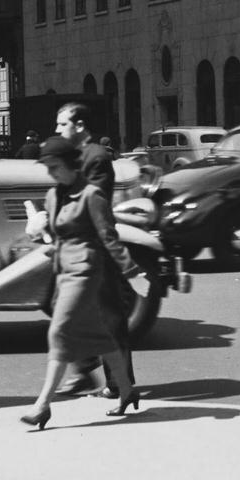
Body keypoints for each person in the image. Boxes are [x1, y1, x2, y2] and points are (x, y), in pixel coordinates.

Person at [20, 137, 146, 430]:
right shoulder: (53, 196)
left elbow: (109, 238)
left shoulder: (92, 195)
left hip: (87, 272)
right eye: (47, 168)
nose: (51, 173)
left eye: (54, 167)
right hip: (64, 272)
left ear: (69, 165)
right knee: (102, 339)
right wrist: (38, 230)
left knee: (58, 331)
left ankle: (42, 406)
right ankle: (127, 391)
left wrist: (133, 273)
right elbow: (55, 234)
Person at [49, 101, 129, 398]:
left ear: (79, 126)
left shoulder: (95, 157)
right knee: (60, 305)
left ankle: (116, 383)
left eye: (62, 124)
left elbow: (95, 200)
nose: (56, 130)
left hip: (95, 246)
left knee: (109, 316)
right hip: (73, 248)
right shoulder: (73, 156)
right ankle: (86, 366)